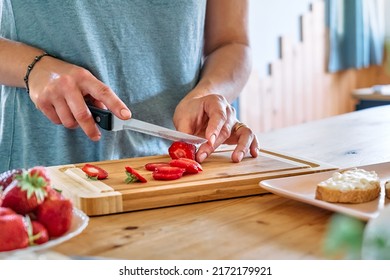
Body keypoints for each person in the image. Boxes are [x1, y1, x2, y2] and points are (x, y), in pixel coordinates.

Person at [0, 0, 259, 173]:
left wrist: (208, 93)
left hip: (177, 172)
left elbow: (232, 42)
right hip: (41, 175)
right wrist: (33, 67)